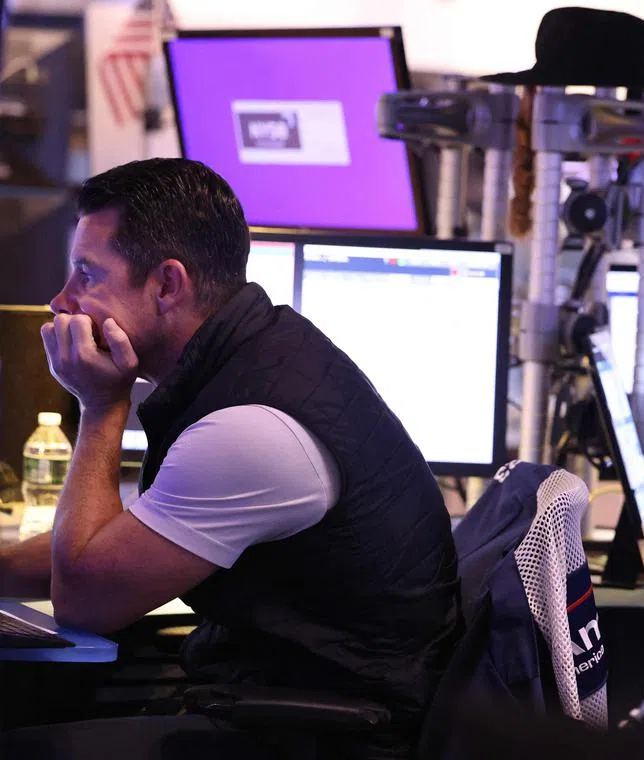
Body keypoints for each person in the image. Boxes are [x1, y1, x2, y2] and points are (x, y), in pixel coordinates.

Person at [0, 158, 461, 758]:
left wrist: (100, 404)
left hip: (320, 736)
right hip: (266, 691)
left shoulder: (251, 430)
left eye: (87, 274)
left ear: (168, 284)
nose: (62, 300)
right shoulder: (253, 358)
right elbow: (121, 541)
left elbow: (84, 600)